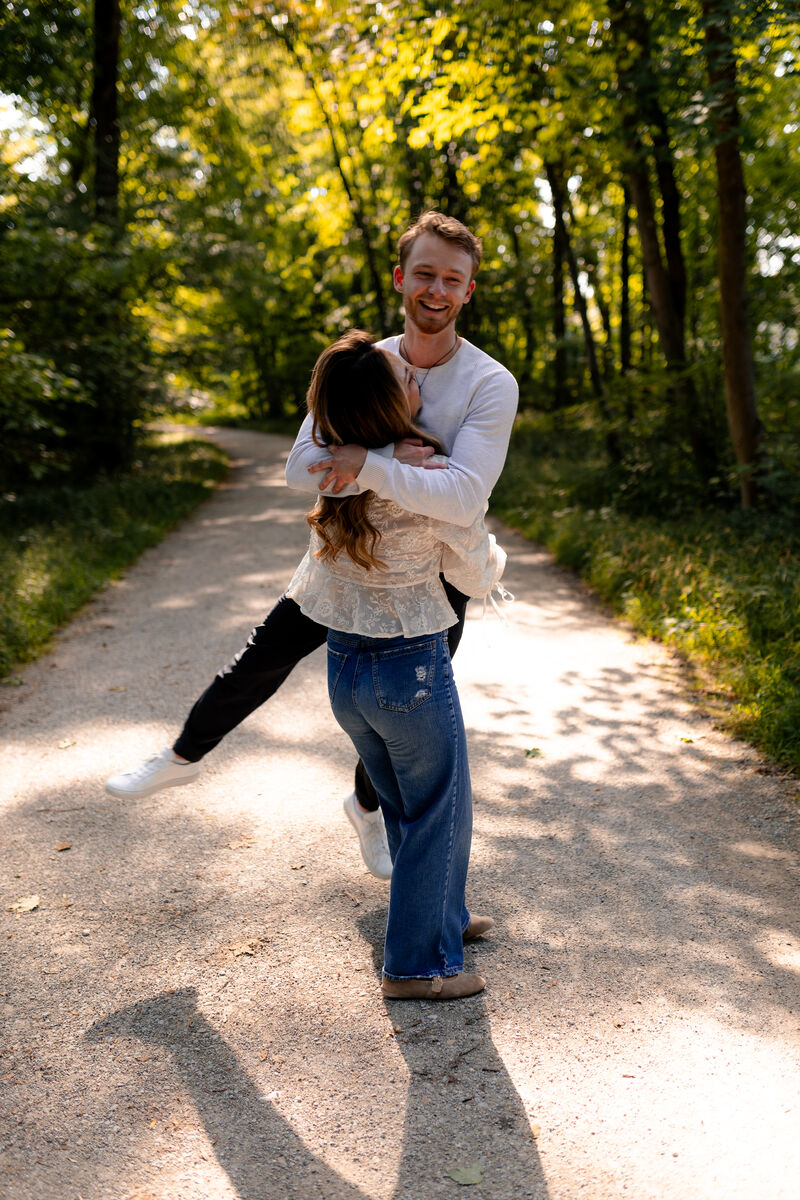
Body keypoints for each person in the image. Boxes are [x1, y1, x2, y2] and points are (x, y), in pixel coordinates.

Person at [105, 212, 518, 882]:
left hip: (433, 575)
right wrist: (386, 454)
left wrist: (364, 462)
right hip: (345, 556)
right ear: (400, 279)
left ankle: (365, 809)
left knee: (402, 713)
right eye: (425, 274)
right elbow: (300, 467)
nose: (436, 290)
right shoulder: (365, 362)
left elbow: (465, 498)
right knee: (265, 654)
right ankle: (182, 757)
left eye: (452, 278)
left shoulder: (488, 384)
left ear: (469, 289)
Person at [291, 329, 506, 999]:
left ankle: (444, 915)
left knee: (403, 806)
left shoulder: (335, 477)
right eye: (402, 376)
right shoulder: (425, 478)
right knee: (438, 808)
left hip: (345, 667)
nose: (416, 378)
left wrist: (382, 455)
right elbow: (472, 567)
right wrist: (492, 560)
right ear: (389, 403)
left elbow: (323, 464)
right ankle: (417, 967)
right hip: (409, 663)